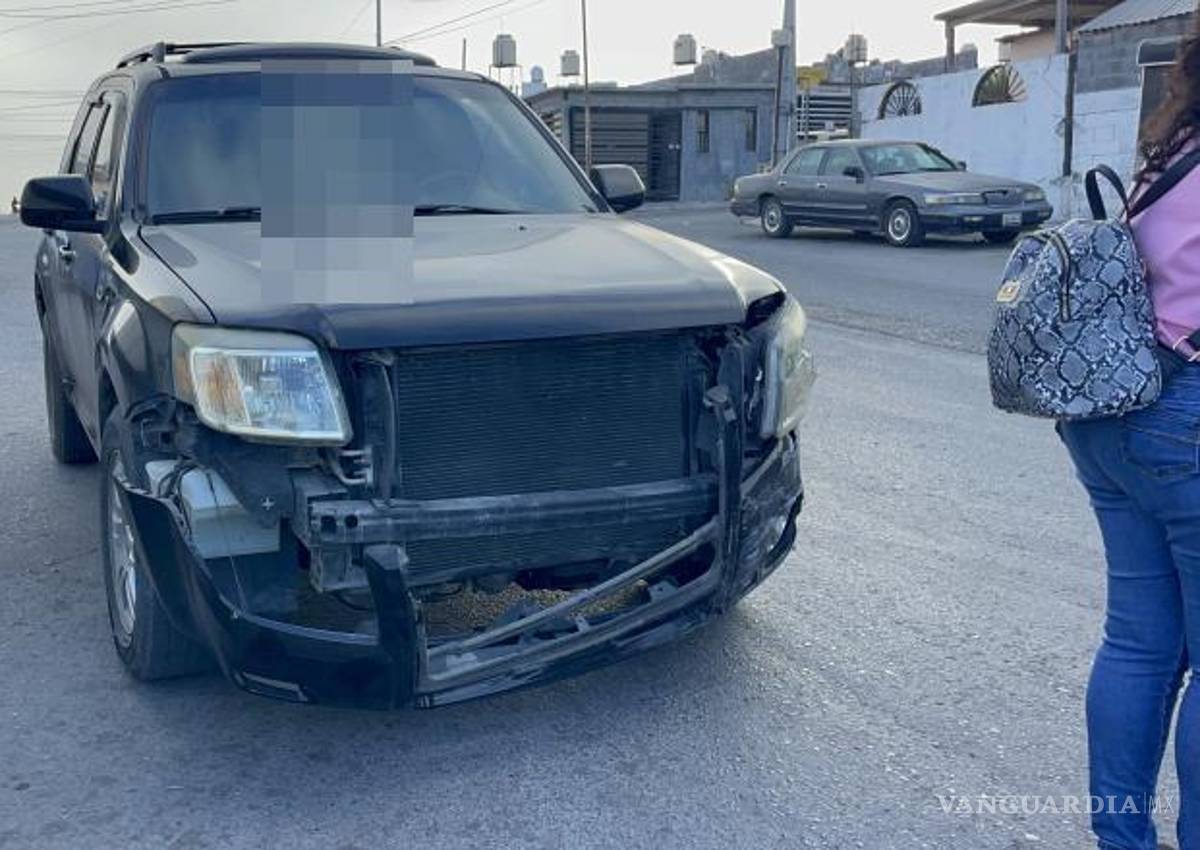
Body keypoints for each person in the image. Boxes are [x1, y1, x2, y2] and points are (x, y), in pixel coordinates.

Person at [1057, 14, 1200, 850]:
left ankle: (1121, 840)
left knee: (1139, 645)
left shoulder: (1170, 150)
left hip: (1116, 411)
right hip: (1186, 421)